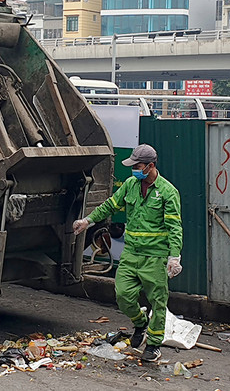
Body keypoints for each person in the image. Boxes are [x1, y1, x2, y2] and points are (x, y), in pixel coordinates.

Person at [73, 144, 183, 363]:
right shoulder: (131, 185)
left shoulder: (168, 192)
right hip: (131, 254)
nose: (134, 169)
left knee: (158, 302)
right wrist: (88, 220)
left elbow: (174, 228)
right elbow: (110, 206)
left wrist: (174, 257)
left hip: (155, 257)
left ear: (150, 166)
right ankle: (140, 323)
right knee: (123, 295)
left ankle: (153, 345)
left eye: (138, 165)